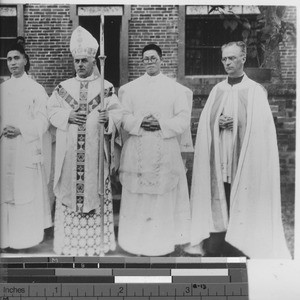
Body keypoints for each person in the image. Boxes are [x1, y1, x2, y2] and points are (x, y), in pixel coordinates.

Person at [188, 41, 291, 259]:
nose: (227, 62)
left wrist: (238, 124)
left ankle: (243, 243)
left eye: (232, 58)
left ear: (243, 58)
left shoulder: (255, 91)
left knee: (242, 200)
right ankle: (220, 243)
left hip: (244, 163)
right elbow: (206, 124)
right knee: (221, 198)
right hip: (220, 161)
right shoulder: (217, 90)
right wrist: (217, 122)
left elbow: (261, 131)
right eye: (224, 59)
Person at [47, 26, 123, 256]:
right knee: (70, 195)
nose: (79, 65)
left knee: (95, 193)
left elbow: (118, 114)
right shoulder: (63, 88)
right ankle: (69, 244)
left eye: (84, 60)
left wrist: (108, 117)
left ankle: (96, 244)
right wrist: (67, 116)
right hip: (70, 155)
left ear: (93, 61)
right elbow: (50, 111)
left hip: (94, 155)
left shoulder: (106, 87)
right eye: (76, 61)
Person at [118, 43, 193, 256]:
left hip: (165, 150)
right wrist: (141, 121)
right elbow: (123, 116)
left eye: (153, 58)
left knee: (162, 198)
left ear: (161, 60)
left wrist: (161, 124)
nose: (149, 61)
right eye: (146, 58)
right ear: (143, 62)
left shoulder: (175, 89)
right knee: (138, 197)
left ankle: (162, 243)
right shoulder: (130, 89)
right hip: (138, 150)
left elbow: (183, 118)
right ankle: (135, 243)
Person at [0, 43, 52, 251]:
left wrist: (21, 129)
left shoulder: (36, 89)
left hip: (24, 147)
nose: (13, 63)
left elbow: (43, 120)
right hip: (5, 147)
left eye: (16, 58)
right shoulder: (2, 89)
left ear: (25, 60)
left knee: (24, 192)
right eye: (9, 59)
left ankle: (24, 240)